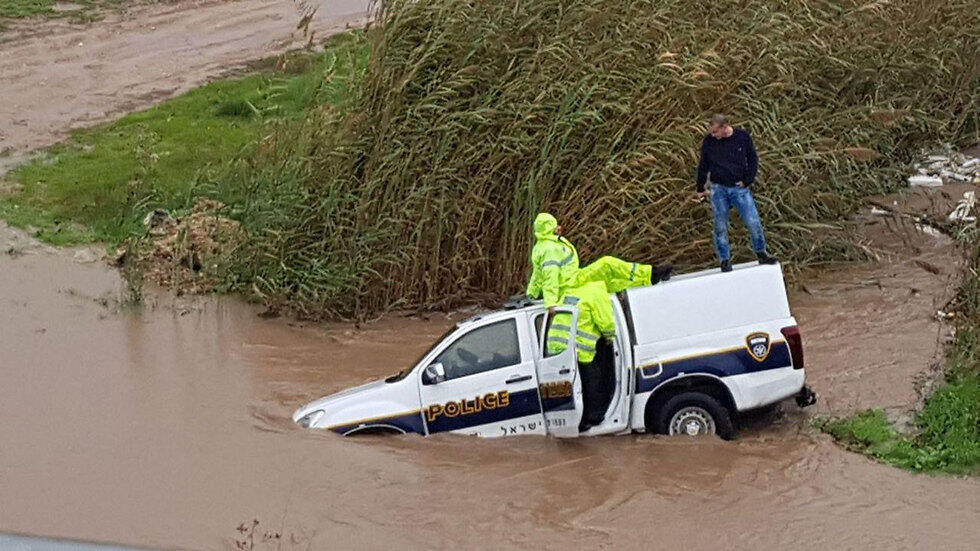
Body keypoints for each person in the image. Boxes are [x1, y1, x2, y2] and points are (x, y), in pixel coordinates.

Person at [525, 212, 670, 307]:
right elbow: (550, 275)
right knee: (607, 264)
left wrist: (530, 295)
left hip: (573, 281)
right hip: (572, 284)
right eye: (555, 226)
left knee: (609, 282)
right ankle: (650, 274)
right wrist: (550, 304)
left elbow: (538, 275)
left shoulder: (544, 246)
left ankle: (649, 279)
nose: (559, 228)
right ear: (549, 229)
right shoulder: (550, 248)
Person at [694, 114, 778, 272]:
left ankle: (761, 252)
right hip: (718, 188)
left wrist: (748, 180)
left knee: (753, 221)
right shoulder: (709, 142)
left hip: (738, 188)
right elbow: (703, 164)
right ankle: (724, 260)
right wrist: (700, 187)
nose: (713, 136)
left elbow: (753, 158)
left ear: (725, 127)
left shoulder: (742, 137)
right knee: (720, 226)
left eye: (715, 132)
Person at [545, 281, 615, 430]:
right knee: (591, 384)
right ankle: (592, 418)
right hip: (582, 351)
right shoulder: (597, 293)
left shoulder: (568, 291)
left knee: (574, 387)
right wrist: (609, 338)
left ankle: (578, 421)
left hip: (557, 349)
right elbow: (606, 322)